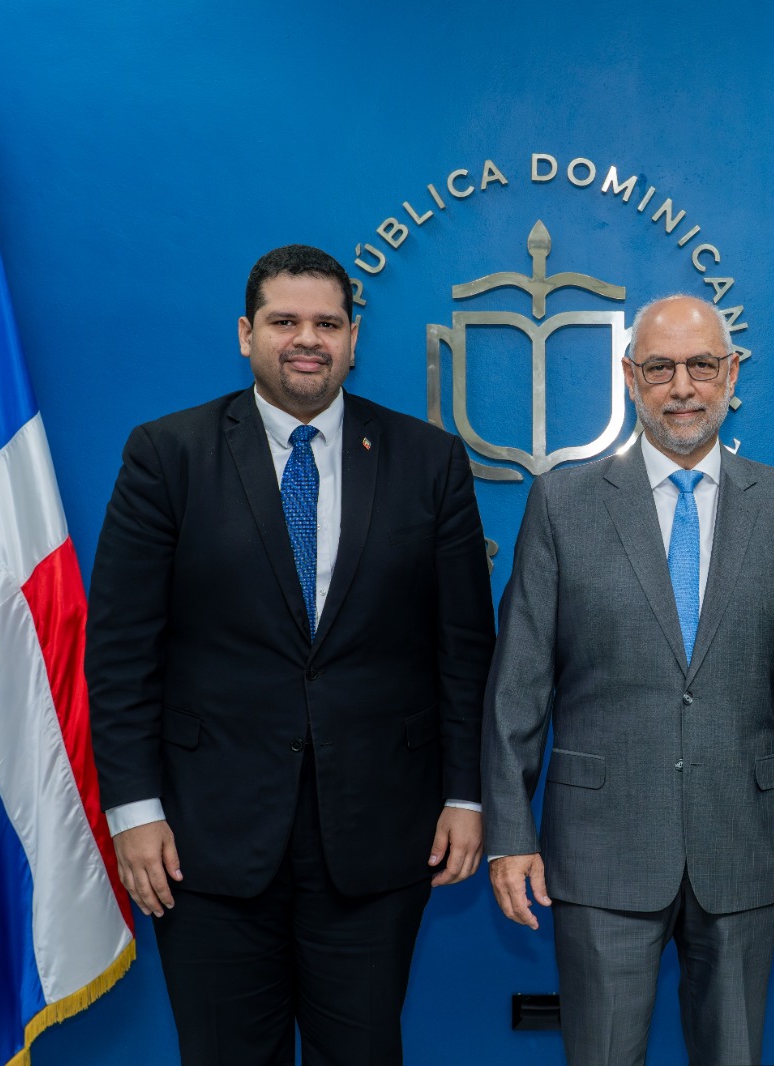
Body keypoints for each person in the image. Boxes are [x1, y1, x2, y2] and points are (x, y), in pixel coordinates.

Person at [86, 244, 495, 1065]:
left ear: (351, 339)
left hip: (381, 836)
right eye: (285, 321)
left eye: (327, 323)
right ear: (246, 334)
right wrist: (134, 813)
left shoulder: (429, 460)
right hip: (204, 841)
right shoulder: (167, 455)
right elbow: (122, 651)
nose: (307, 339)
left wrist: (465, 795)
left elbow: (463, 651)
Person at [483, 293, 774, 1066]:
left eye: (702, 366)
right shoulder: (562, 502)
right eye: (660, 368)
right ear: (629, 377)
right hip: (600, 848)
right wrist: (508, 836)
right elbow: (518, 688)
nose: (682, 386)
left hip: (743, 847)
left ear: (731, 372)